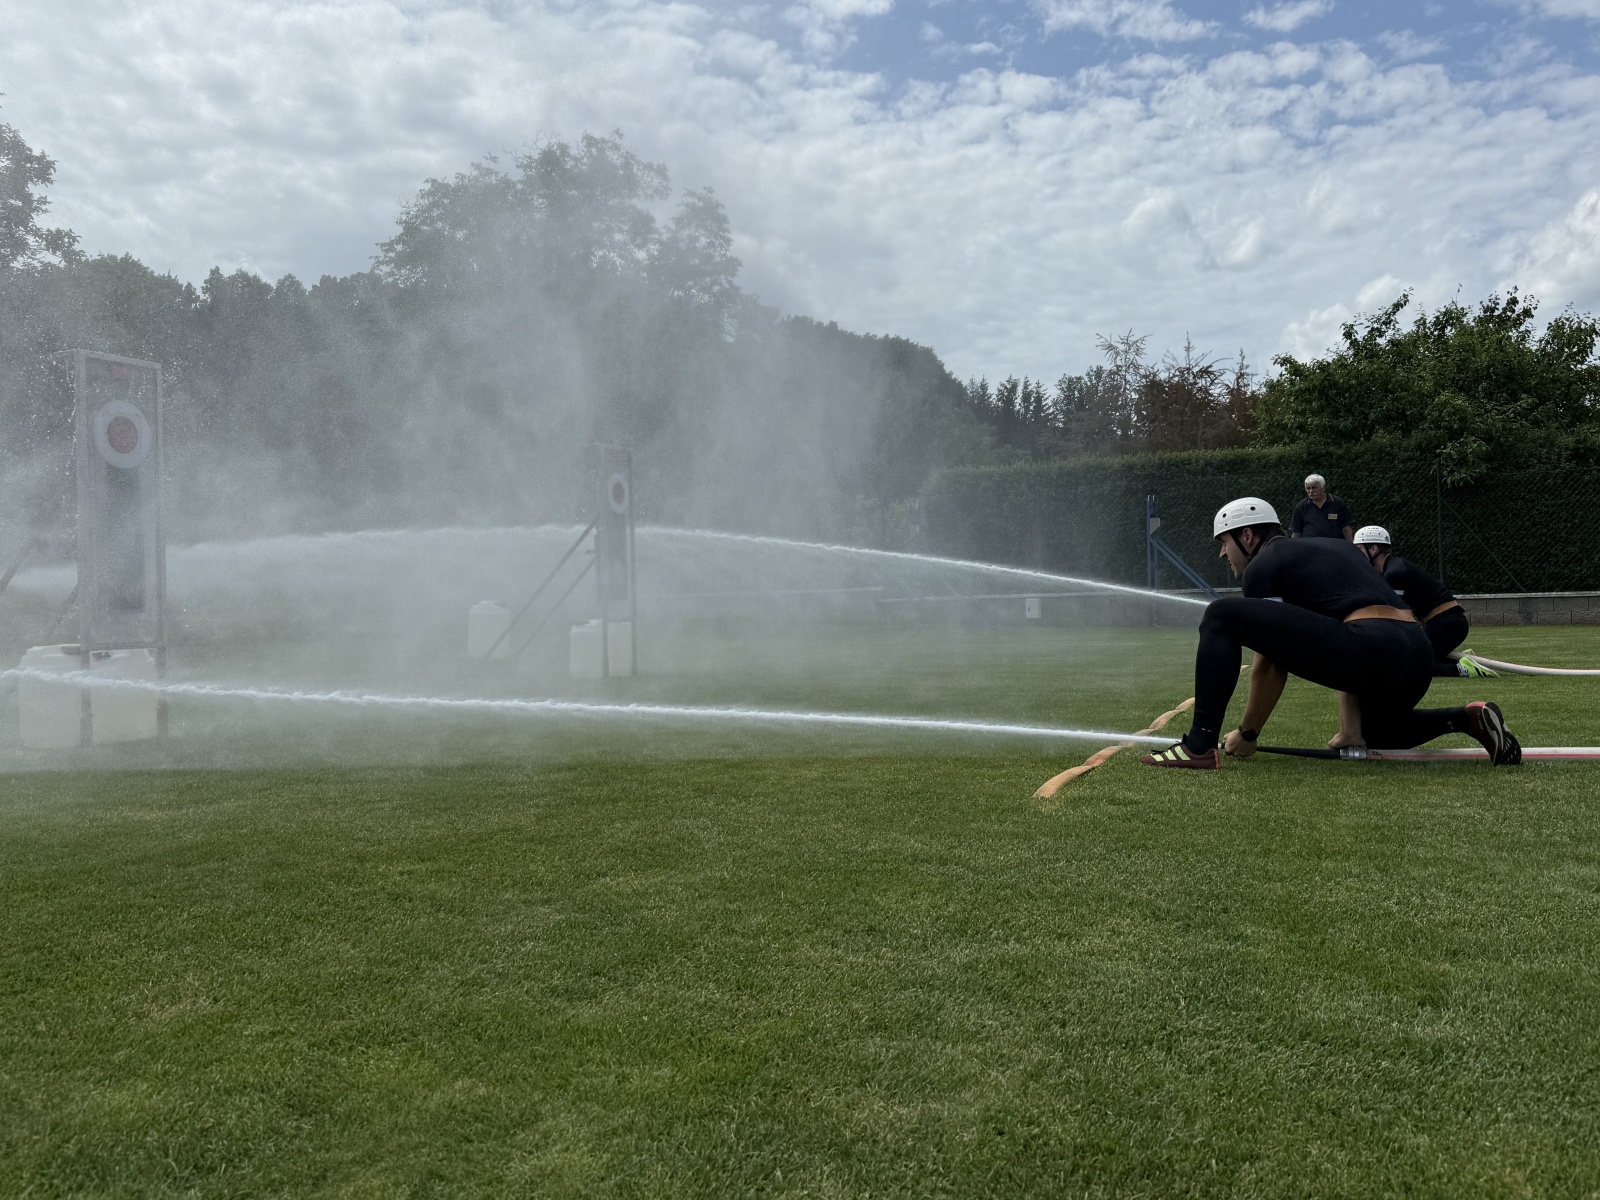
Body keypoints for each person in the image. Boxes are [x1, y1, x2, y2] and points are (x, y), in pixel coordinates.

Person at [1140, 497, 1521, 769]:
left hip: (1369, 646)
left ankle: (1199, 746)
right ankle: (1467, 718)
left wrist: (1249, 732)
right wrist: (1350, 731)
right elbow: (1346, 629)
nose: (1223, 554)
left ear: (1248, 536)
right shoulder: (1338, 550)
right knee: (1379, 733)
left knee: (1220, 615)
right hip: (1416, 651)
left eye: (1223, 542)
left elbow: (1271, 662)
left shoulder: (1263, 565)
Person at [1352, 525, 1496, 678]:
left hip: (1446, 625)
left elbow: (1395, 615)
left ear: (1373, 549)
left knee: (1409, 666)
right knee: (1414, 659)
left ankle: (1465, 669)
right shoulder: (1394, 568)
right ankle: (1462, 662)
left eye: (1359, 549)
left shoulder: (1394, 573)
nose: (1356, 554)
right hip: (1445, 623)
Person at [1289, 474, 1354, 540]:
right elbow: (1296, 532)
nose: (1311, 491)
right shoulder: (1301, 506)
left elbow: (1346, 528)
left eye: (1314, 488)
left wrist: (1350, 544)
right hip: (1310, 544)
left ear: (1323, 487)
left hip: (1333, 543)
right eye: (1308, 488)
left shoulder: (1337, 503)